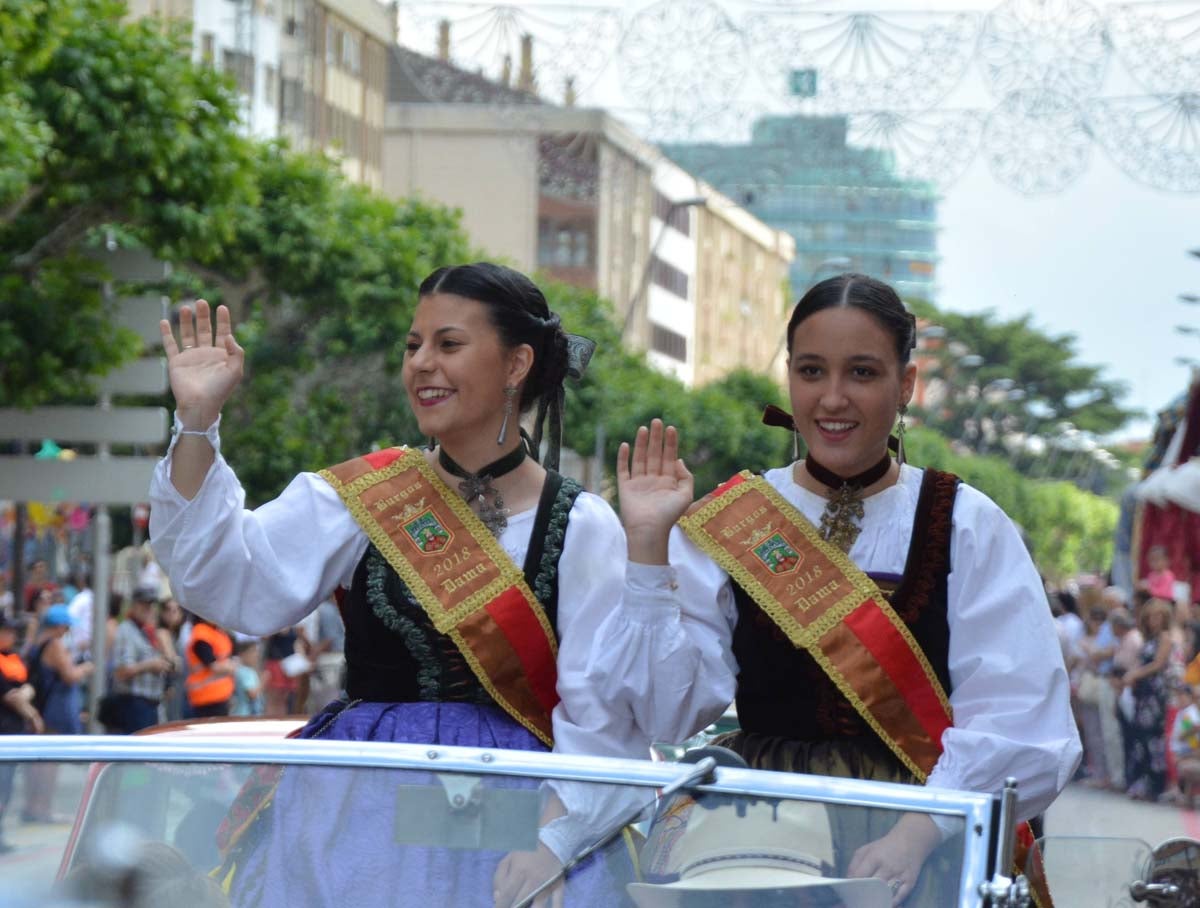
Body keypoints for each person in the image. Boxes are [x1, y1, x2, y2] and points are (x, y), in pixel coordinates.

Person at [148, 263, 658, 907]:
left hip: (518, 820)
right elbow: (223, 579)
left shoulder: (582, 525)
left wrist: (556, 841)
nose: (421, 364)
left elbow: (605, 713)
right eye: (413, 346)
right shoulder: (361, 498)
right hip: (357, 818)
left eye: (448, 345)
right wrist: (197, 421)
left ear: (516, 363)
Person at [592, 274, 1081, 907]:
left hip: (912, 837)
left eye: (863, 374)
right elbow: (666, 715)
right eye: (812, 371)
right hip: (753, 842)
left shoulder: (965, 521)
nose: (833, 398)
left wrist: (920, 830)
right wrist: (650, 551)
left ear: (906, 386)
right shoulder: (735, 518)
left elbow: (1023, 718)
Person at [22, 603, 92, 824]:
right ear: (60, 626)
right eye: (67, 627)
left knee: (37, 763)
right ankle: (42, 808)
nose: (67, 632)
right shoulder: (55, 645)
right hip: (55, 709)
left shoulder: (36, 644)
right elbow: (69, 675)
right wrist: (87, 668)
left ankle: (32, 806)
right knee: (49, 765)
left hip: (41, 707)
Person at [1123, 597, 1175, 801]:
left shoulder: (1165, 638)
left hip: (1156, 695)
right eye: (1151, 616)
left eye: (1159, 616)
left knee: (1153, 737)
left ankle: (1155, 784)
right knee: (1140, 737)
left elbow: (1158, 664)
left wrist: (1135, 674)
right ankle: (1141, 780)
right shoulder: (1148, 639)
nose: (1155, 620)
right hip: (1144, 693)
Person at [0, 612, 43, 853]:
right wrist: (33, 714)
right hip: (3, 734)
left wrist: (25, 696)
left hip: (14, 731)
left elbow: (26, 689)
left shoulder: (11, 658)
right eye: (7, 630)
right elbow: (11, 696)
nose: (12, 635)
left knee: (6, 787)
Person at [108, 588, 174, 733]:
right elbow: (121, 671)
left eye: (150, 605)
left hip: (151, 703)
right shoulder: (126, 630)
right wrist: (150, 665)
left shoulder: (147, 631)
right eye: (144, 604)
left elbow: (172, 664)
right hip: (133, 703)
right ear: (134, 605)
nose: (148, 609)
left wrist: (166, 654)